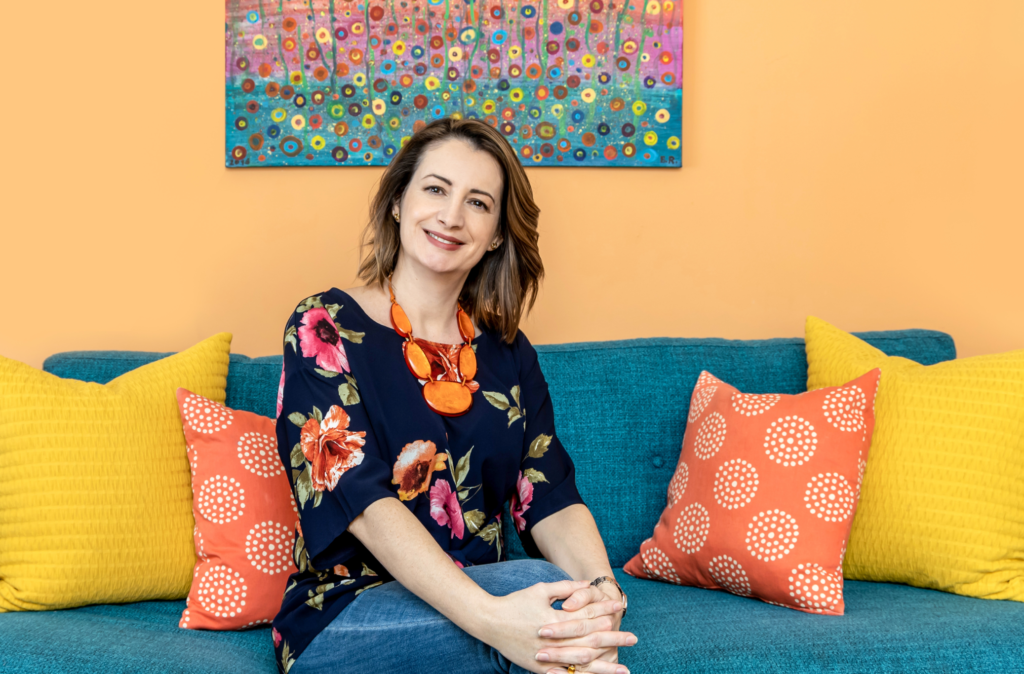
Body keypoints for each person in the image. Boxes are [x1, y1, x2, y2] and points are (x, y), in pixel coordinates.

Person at [272, 118, 637, 674]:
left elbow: (549, 494)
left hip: (485, 599)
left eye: (478, 202)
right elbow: (363, 508)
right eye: (436, 189)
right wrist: (495, 621)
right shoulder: (324, 326)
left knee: (571, 604)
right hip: (345, 614)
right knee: (547, 598)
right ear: (398, 202)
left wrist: (603, 595)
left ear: (495, 233)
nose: (451, 215)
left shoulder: (508, 353)